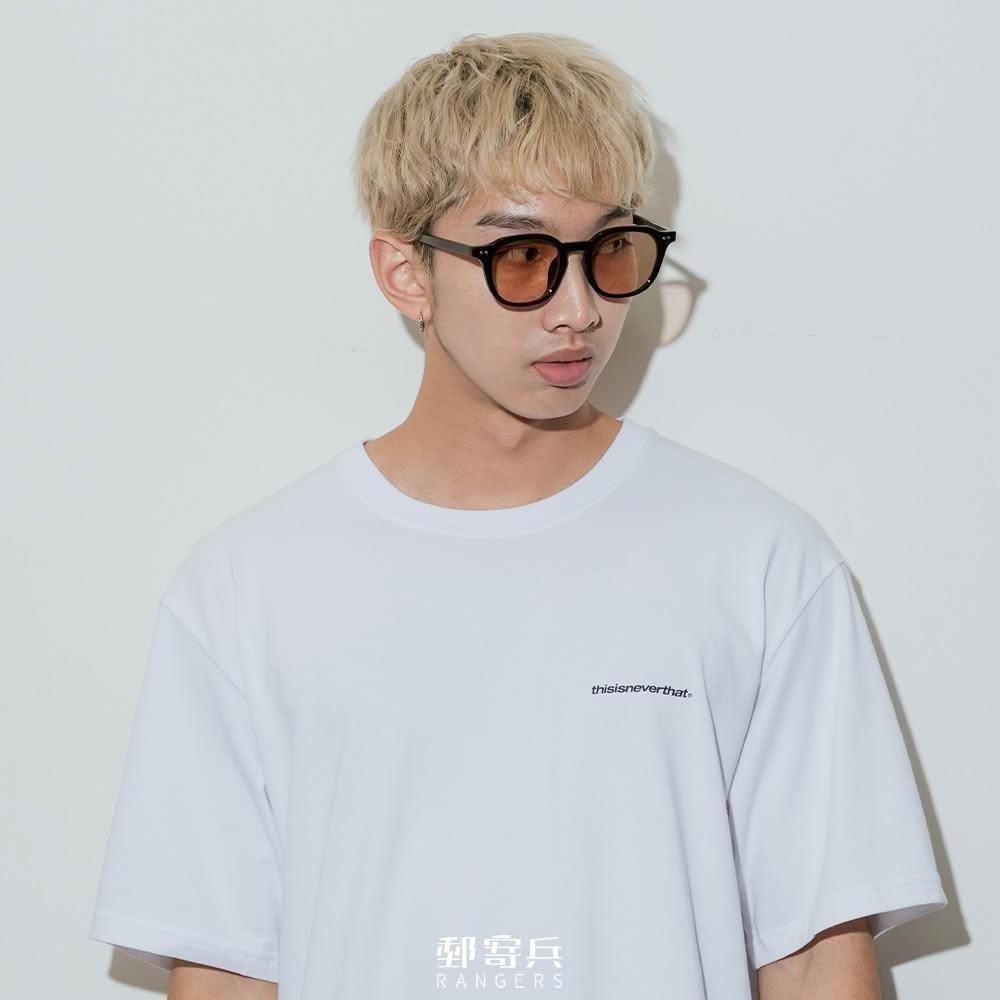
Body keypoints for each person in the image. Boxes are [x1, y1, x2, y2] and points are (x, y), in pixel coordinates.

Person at [88, 31, 947, 1000]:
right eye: (525, 256)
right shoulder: (249, 581)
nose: (579, 309)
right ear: (406, 272)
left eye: (609, 250)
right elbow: (224, 967)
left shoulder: (756, 556)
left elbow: (817, 952)